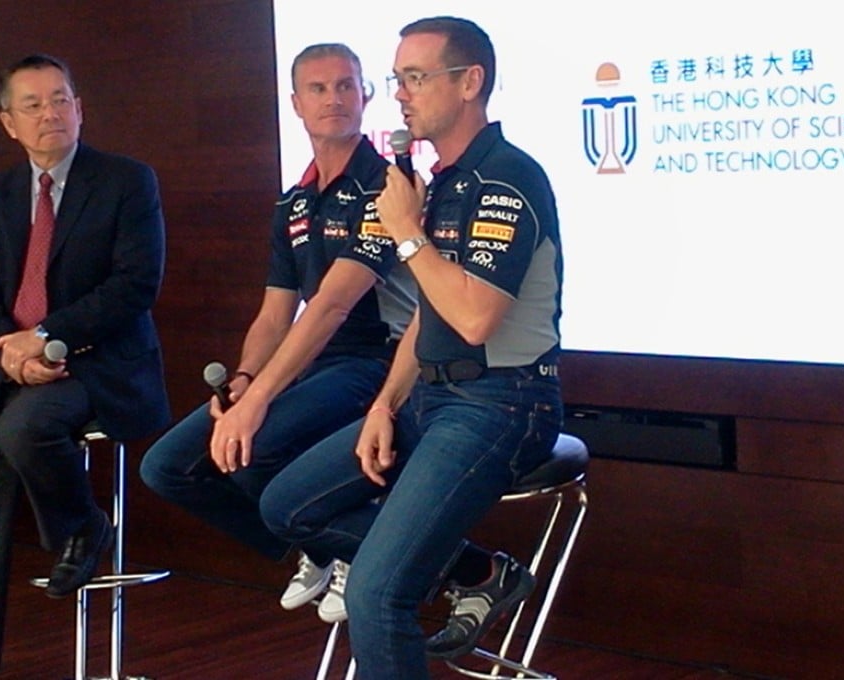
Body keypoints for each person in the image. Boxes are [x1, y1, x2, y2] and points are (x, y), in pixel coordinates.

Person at [259, 16, 564, 679]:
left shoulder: (505, 179)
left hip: (503, 401)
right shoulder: (443, 181)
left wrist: (405, 234)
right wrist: (386, 403)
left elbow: (475, 317)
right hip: (432, 392)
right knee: (286, 506)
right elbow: (429, 313)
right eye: (398, 79)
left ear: (469, 83)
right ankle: (479, 573)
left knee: (374, 591)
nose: (401, 93)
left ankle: (433, 573)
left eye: (416, 78)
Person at [138, 43, 415, 623]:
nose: (334, 98)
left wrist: (258, 400)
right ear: (296, 103)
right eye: (318, 88)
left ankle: (350, 552)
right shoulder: (292, 201)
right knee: (167, 465)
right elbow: (274, 315)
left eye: (346, 85)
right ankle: (319, 547)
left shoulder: (389, 186)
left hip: (373, 362)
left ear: (366, 94)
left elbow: (333, 306)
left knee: (252, 442)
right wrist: (243, 381)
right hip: (310, 363)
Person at [0, 54, 170, 680]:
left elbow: (135, 286)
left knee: (24, 429)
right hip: (16, 370)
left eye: (60, 99)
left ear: (79, 108)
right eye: (32, 104)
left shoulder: (126, 181)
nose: (50, 113)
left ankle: (83, 527)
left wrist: (48, 339)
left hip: (100, 365)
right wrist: (12, 349)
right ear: (9, 122)